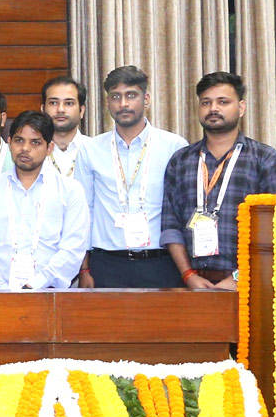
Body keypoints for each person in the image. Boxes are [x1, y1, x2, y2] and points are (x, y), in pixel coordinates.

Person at [163, 72, 276, 290]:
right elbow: (170, 224)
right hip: (189, 282)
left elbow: (274, 229)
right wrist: (188, 275)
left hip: (248, 283)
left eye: (223, 102)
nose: (213, 109)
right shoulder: (180, 160)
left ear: (241, 108)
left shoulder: (265, 158)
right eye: (206, 102)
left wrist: (239, 277)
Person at [71, 66, 189, 288]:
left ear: (146, 99)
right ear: (107, 102)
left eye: (131, 95)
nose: (123, 104)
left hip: (161, 263)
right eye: (116, 97)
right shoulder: (90, 150)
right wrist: (84, 268)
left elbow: (182, 210)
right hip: (106, 265)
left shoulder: (174, 146)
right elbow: (84, 211)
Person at [0, 111, 89, 289]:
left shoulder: (70, 190)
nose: (25, 148)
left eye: (35, 142)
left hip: (50, 293)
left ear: (49, 148)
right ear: (9, 143)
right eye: (19, 140)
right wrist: (1, 290)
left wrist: (36, 285)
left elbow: (73, 248)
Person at [41, 77, 91, 178]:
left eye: (69, 103)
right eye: (54, 103)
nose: (60, 109)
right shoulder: (32, 151)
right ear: (42, 110)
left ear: (81, 111)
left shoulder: (94, 150)